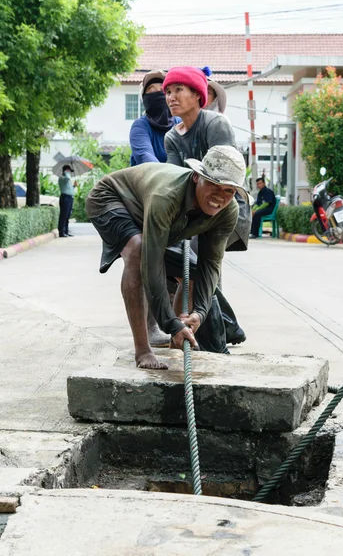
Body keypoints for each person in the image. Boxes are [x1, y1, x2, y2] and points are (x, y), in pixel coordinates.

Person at [85, 145, 248, 370]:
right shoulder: (167, 197)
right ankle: (143, 350)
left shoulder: (228, 212)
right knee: (138, 250)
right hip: (111, 198)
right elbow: (151, 266)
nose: (219, 197)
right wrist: (169, 322)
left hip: (151, 214)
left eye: (229, 191)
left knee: (191, 274)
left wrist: (199, 313)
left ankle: (178, 341)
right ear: (196, 177)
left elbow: (210, 265)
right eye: (214, 185)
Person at [163, 66, 249, 346]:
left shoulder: (215, 124)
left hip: (225, 206)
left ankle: (218, 340)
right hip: (195, 211)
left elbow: (227, 174)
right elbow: (176, 180)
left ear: (198, 96)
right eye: (167, 91)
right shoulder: (172, 137)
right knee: (192, 268)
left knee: (203, 268)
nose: (170, 97)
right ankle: (225, 326)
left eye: (178, 90)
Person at [129, 70, 180, 347]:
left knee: (181, 266)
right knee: (148, 262)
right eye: (151, 94)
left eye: (163, 92)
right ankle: (149, 329)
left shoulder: (181, 124)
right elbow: (147, 159)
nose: (158, 98)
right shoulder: (140, 127)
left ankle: (177, 322)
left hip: (176, 202)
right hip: (143, 202)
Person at [129, 70, 180, 166]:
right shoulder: (140, 126)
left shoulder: (180, 124)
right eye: (152, 90)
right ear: (144, 99)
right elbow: (145, 157)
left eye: (163, 90)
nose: (158, 93)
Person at [58, 165, 76, 238]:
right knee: (64, 215)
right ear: (66, 171)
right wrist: (66, 172)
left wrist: (74, 186)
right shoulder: (62, 178)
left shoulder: (67, 179)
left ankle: (66, 231)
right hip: (65, 197)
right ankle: (61, 232)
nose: (70, 173)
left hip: (69, 198)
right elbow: (67, 178)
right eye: (69, 171)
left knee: (67, 215)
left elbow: (69, 189)